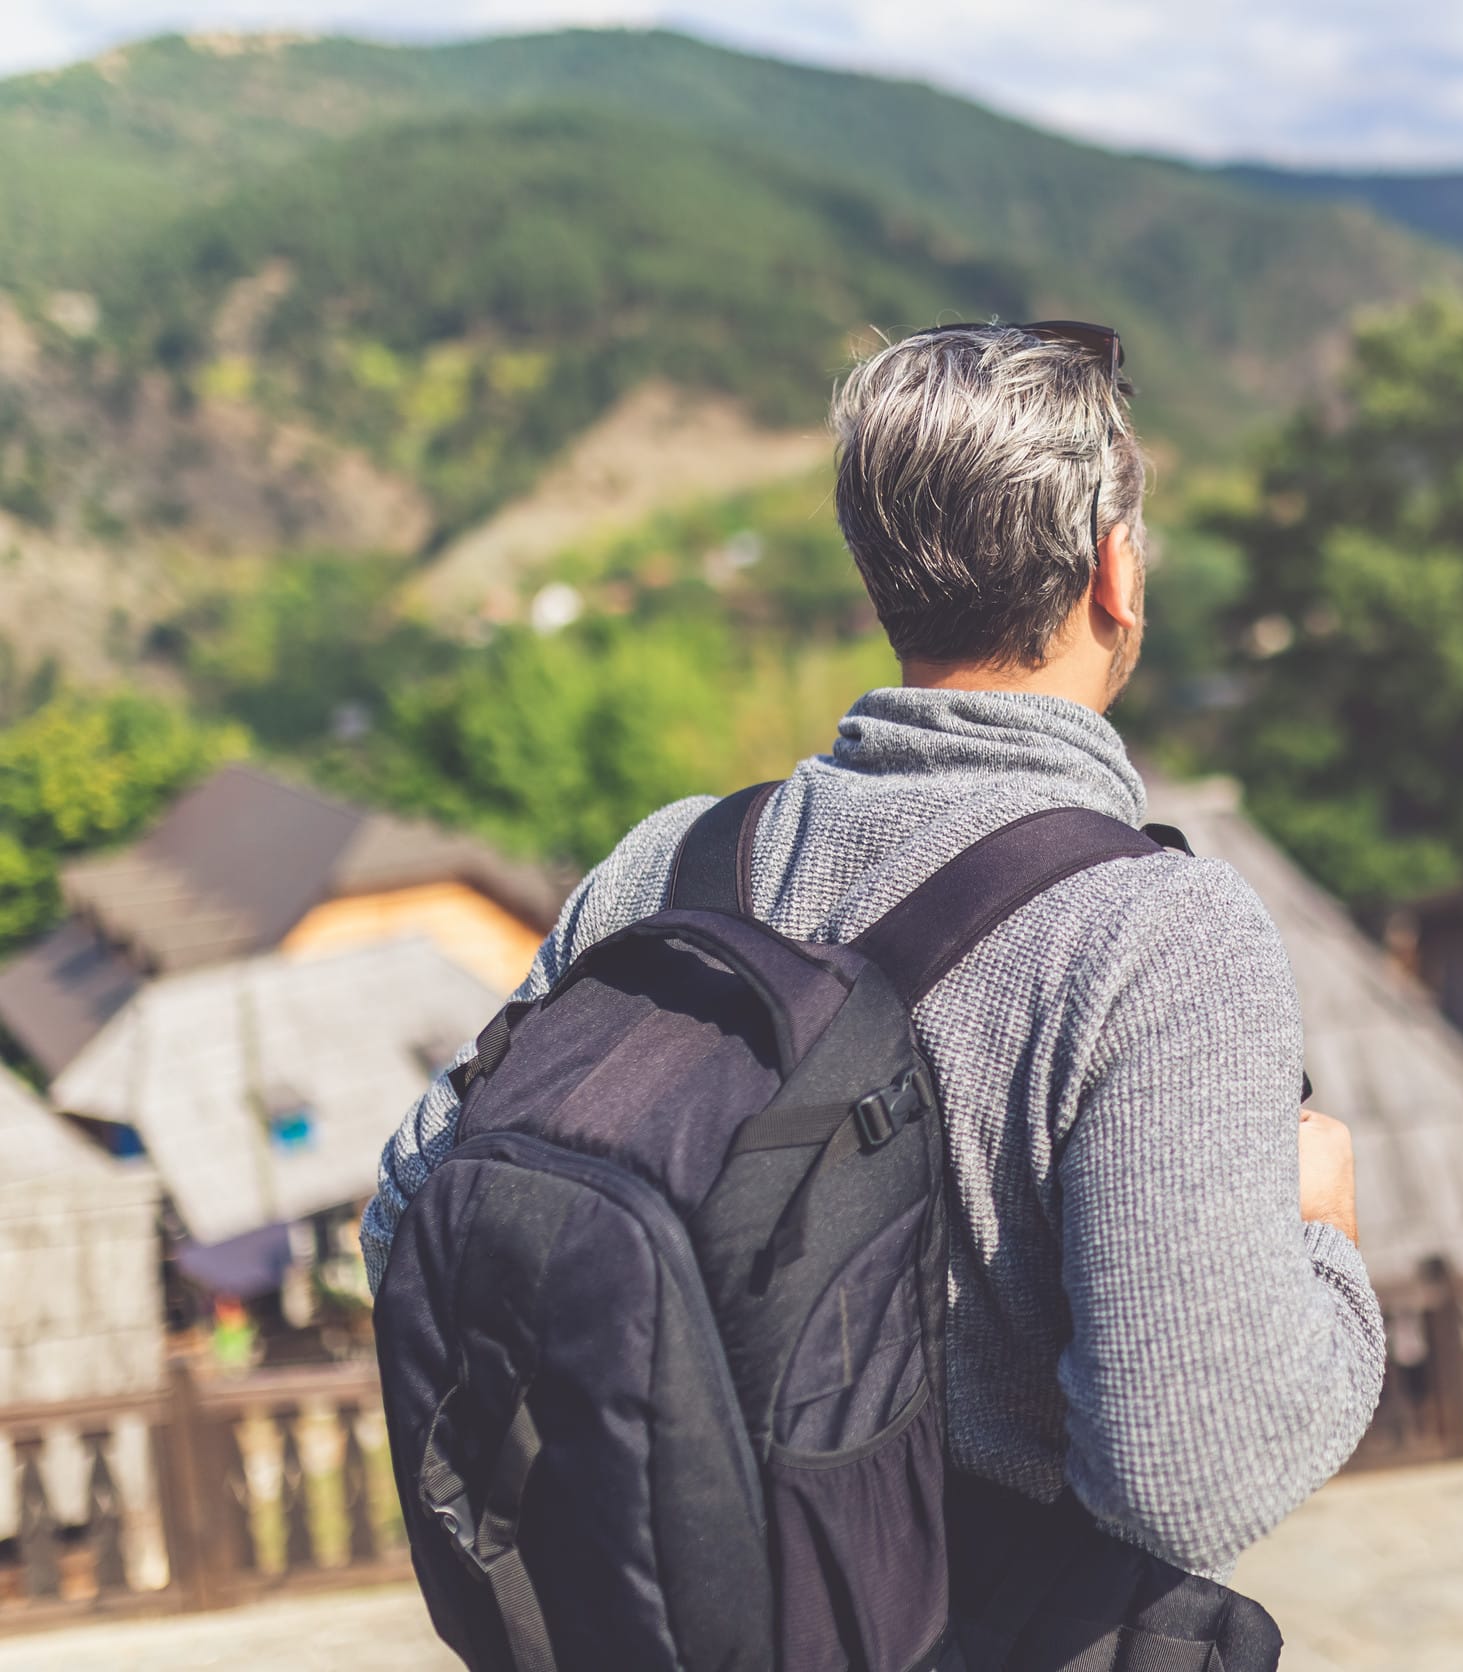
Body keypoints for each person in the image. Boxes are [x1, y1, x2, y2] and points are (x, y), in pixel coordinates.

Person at [363, 320, 1383, 1579]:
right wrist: (1324, 1245)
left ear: (881, 575)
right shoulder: (1154, 933)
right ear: (1115, 572)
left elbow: (408, 1218)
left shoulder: (669, 864)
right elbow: (1187, 1479)